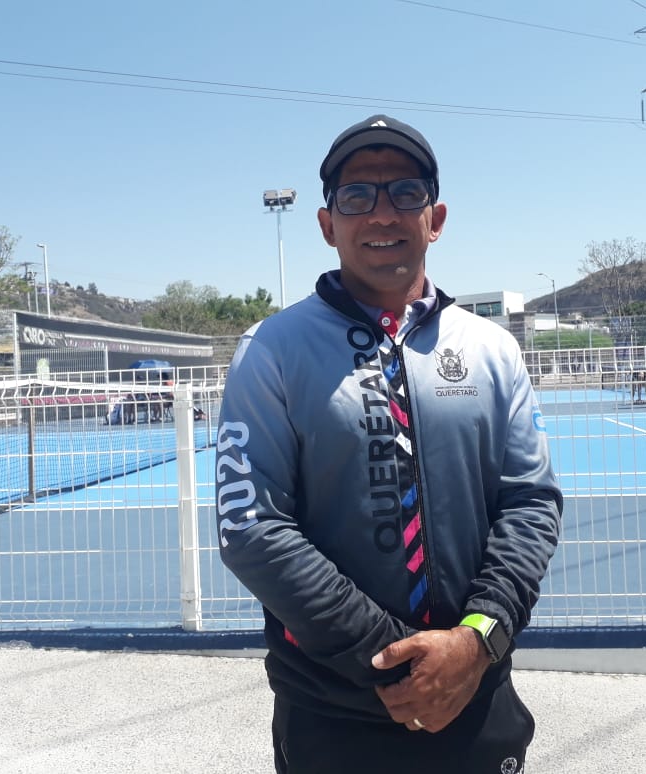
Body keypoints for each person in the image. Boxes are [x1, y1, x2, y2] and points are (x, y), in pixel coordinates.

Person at [215, 114, 563, 774]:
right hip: (334, 715)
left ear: (436, 219)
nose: (382, 213)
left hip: (476, 696)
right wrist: (400, 663)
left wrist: (474, 643)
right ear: (327, 225)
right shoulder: (272, 350)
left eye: (406, 192)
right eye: (357, 195)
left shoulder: (491, 349)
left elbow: (530, 504)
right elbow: (251, 528)